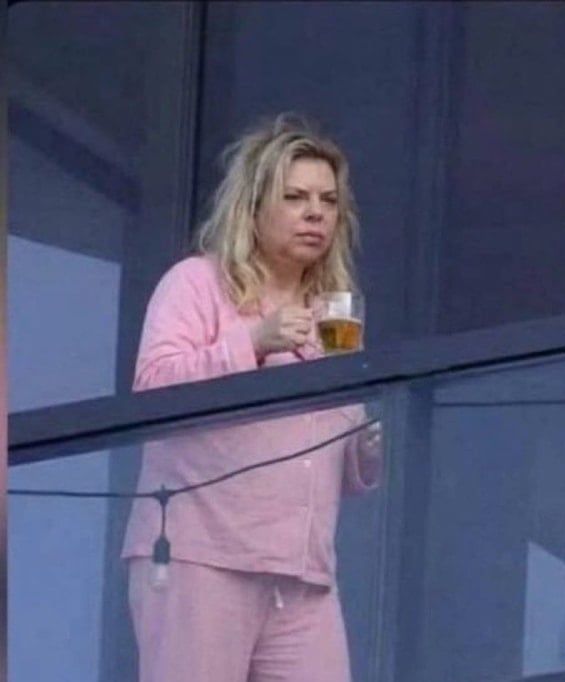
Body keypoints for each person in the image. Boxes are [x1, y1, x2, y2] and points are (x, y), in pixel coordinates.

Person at [121, 112, 382, 682]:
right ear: (253, 206)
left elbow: (334, 462)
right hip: (202, 555)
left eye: (329, 201)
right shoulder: (197, 282)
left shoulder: (336, 314)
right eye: (295, 196)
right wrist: (253, 342)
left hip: (304, 572)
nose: (315, 212)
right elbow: (152, 390)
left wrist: (364, 446)